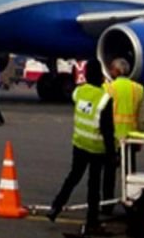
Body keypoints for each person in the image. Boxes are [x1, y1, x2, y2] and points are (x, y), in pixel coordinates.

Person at [48, 60, 114, 235]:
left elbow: (76, 99)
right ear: (101, 76)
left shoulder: (79, 92)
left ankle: (56, 206)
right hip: (96, 147)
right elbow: (108, 130)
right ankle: (92, 221)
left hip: (79, 143)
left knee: (73, 178)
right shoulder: (105, 98)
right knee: (94, 186)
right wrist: (112, 154)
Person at [103, 57, 144, 213]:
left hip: (112, 139)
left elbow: (102, 115)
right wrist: (140, 138)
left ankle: (107, 205)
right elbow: (142, 119)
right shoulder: (138, 89)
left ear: (115, 71)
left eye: (111, 69)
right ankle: (131, 204)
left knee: (109, 174)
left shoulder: (107, 88)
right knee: (129, 174)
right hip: (130, 139)